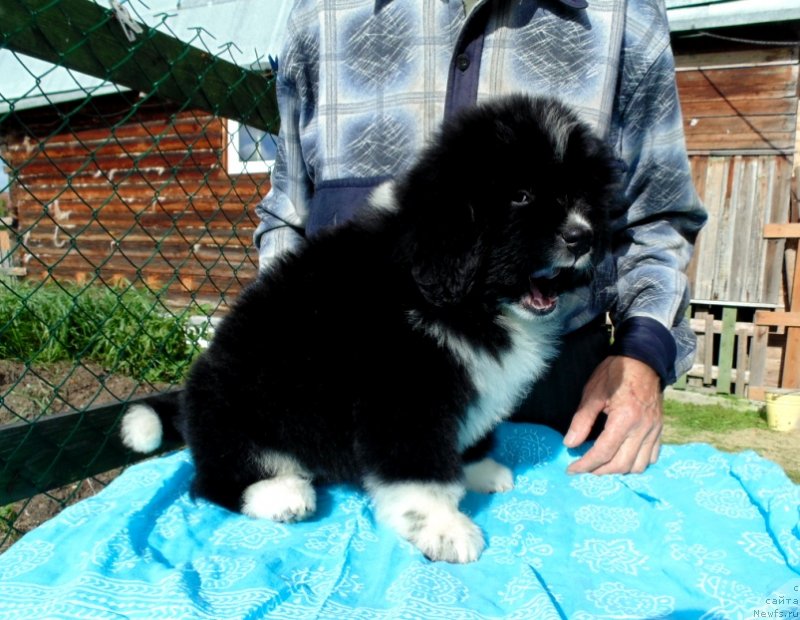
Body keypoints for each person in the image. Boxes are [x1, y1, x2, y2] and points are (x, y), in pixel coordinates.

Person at [254, 0, 707, 475]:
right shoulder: (318, 15)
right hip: (349, 383)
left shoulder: (625, 16)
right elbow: (288, 212)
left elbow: (658, 219)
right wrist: (270, 358)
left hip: (555, 388)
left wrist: (642, 354)